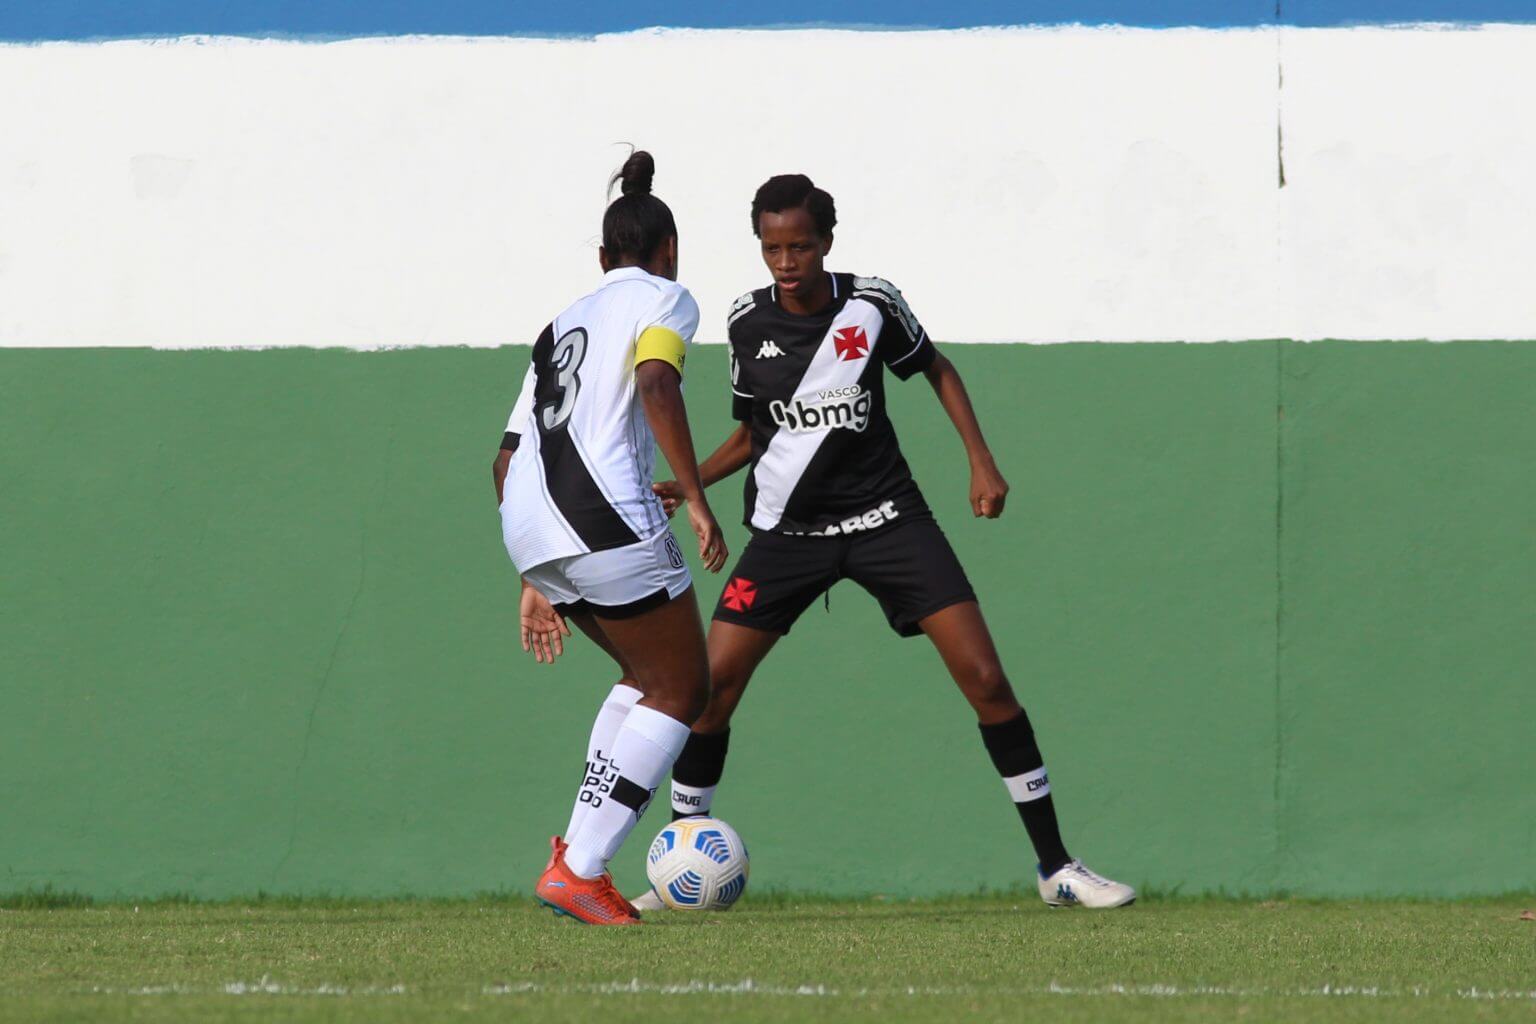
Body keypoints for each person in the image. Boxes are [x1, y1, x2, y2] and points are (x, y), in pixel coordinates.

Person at [641, 173, 1134, 910]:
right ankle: (681, 864)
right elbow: (755, 431)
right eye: (772, 248)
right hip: (786, 537)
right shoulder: (746, 323)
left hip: (889, 522)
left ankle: (1057, 867)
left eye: (800, 245)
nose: (786, 261)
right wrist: (693, 485)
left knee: (989, 682)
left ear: (826, 242)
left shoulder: (872, 304)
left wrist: (981, 459)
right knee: (710, 695)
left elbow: (936, 369)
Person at [493, 151, 727, 926]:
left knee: (643, 673)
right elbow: (658, 383)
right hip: (604, 514)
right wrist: (695, 498)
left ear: (601, 259)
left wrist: (537, 572)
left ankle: (575, 857)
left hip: (529, 520)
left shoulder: (560, 324)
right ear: (669, 252)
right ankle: (585, 868)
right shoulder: (667, 297)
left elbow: (505, 456)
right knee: (683, 688)